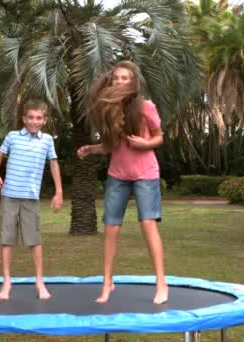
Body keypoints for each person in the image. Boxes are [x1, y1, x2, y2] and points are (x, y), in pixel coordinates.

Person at [77, 61, 168, 304]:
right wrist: (92, 149)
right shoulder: (111, 109)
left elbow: (159, 137)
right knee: (111, 228)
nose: (119, 81)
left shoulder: (145, 107)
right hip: (118, 174)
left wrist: (145, 144)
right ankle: (107, 283)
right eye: (116, 78)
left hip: (145, 173)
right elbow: (113, 146)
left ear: (134, 82)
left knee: (148, 224)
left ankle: (161, 283)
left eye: (125, 78)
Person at [0, 99, 63, 301]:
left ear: (45, 120)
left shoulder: (47, 140)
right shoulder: (13, 137)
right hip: (9, 196)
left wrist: (59, 191)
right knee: (7, 240)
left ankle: (39, 281)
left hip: (31, 198)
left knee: (34, 241)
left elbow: (54, 165)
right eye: (30, 117)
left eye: (38, 118)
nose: (34, 121)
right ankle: (6, 281)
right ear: (24, 119)